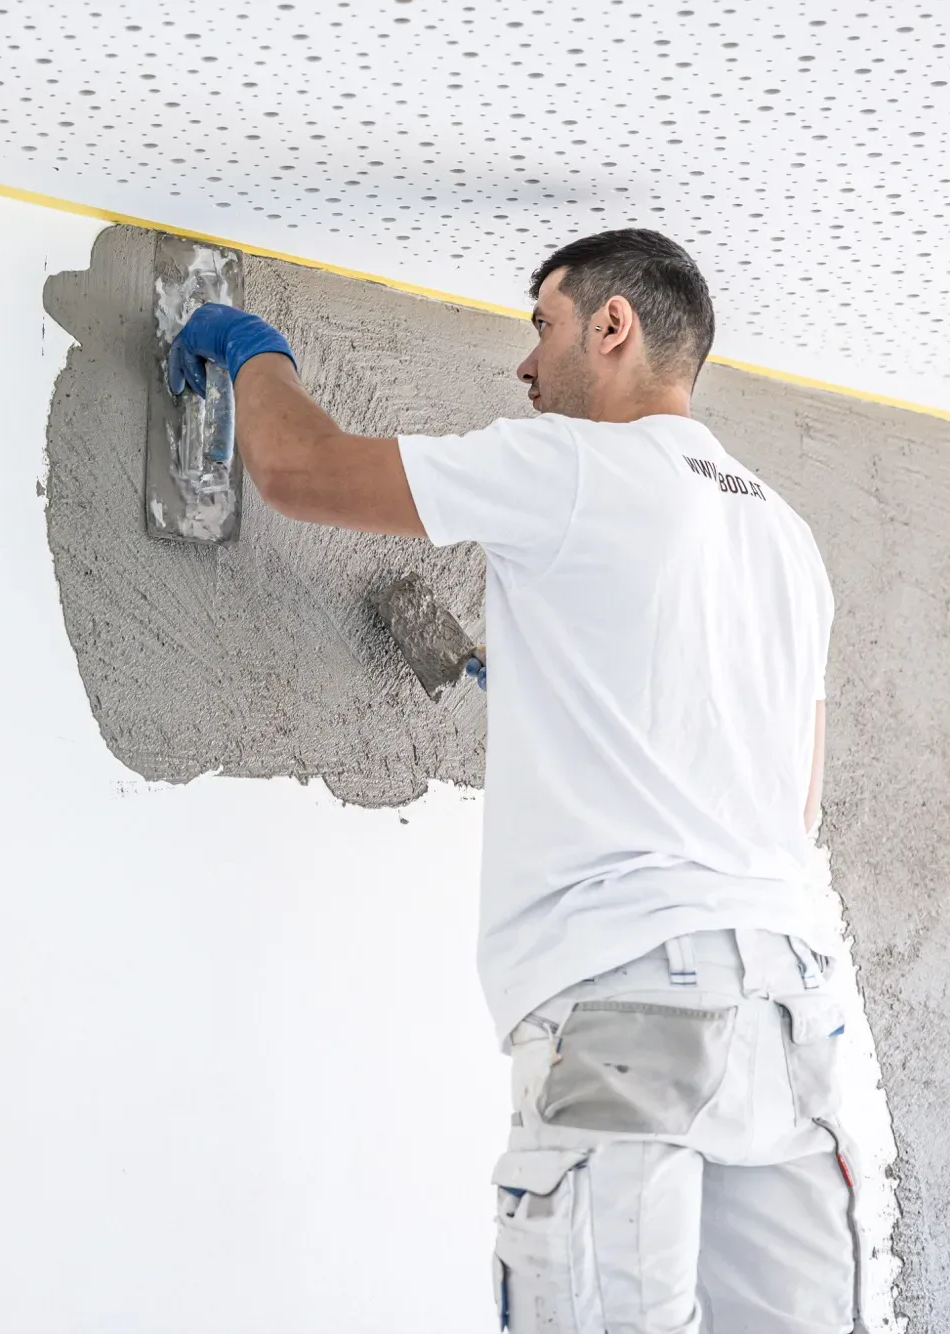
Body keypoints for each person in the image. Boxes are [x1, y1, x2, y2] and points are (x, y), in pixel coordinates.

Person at [168, 229, 856, 1334]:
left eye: (543, 325)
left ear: (612, 326)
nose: (525, 366)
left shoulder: (573, 465)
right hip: (791, 1016)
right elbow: (794, 800)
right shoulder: (788, 538)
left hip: (635, 996)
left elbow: (301, 470)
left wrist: (248, 346)